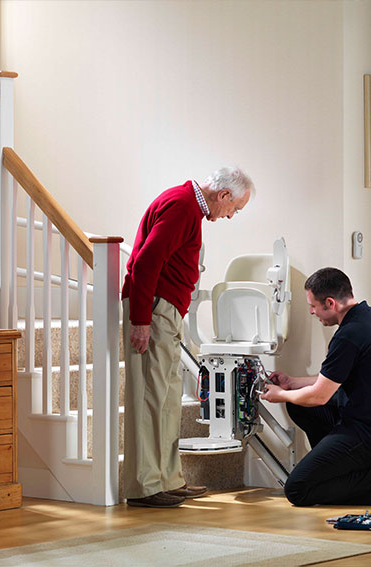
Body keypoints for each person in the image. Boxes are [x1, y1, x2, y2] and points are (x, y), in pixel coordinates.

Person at [122, 166, 254, 509]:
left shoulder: (188, 208)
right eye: (234, 209)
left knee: (165, 399)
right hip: (154, 309)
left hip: (165, 311)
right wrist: (140, 319)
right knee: (150, 398)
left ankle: (167, 479)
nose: (229, 216)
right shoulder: (182, 206)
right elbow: (146, 260)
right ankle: (145, 485)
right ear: (223, 195)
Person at [261, 267, 371, 506]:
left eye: (313, 306)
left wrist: (279, 395)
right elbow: (330, 381)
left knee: (297, 489)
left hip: (369, 436)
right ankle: (341, 468)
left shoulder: (349, 335)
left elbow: (319, 396)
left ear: (330, 303)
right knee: (298, 404)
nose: (311, 312)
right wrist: (290, 384)